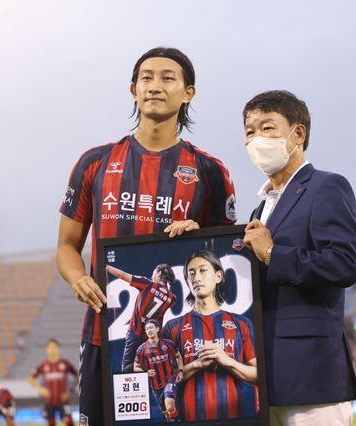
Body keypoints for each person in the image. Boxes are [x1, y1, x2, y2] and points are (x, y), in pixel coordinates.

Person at [55, 46, 236, 426]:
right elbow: (67, 247)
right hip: (102, 334)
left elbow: (227, 257)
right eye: (146, 78)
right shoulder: (95, 162)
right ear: (133, 89)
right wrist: (77, 278)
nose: (155, 86)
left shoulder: (209, 171)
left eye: (168, 78)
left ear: (188, 92)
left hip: (172, 344)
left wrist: (201, 237)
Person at [241, 90, 356, 426]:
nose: (256, 138)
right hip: (264, 378)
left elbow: (345, 263)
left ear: (298, 134)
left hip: (312, 374)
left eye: (267, 128)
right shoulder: (259, 209)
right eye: (250, 131)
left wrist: (272, 254)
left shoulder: (327, 186)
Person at [163, 249, 257, 422]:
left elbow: (259, 375)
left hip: (235, 419)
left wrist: (227, 361)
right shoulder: (173, 327)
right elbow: (164, 380)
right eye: (191, 273)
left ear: (218, 276)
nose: (196, 278)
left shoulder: (241, 324)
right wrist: (197, 364)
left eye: (203, 270)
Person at [106, 263, 177, 372]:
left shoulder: (147, 284)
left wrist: (106, 266)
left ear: (159, 274)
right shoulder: (172, 298)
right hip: (151, 337)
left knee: (127, 369)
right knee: (149, 366)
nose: (151, 276)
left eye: (153, 273)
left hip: (135, 333)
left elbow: (122, 275)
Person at [134, 319, 183, 422]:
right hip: (156, 385)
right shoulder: (141, 349)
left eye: (151, 328)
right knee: (166, 414)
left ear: (157, 329)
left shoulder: (168, 344)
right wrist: (146, 373)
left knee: (170, 406)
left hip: (170, 379)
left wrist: (180, 371)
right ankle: (176, 420)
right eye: (147, 329)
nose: (149, 330)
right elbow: (136, 367)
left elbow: (178, 356)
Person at [28, 338, 79, 426]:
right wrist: (41, 390)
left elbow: (77, 376)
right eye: (50, 347)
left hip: (63, 400)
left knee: (69, 423)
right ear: (47, 349)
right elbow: (30, 379)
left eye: (54, 347)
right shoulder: (43, 365)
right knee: (51, 423)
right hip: (49, 401)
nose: (52, 350)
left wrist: (70, 391)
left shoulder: (65, 363)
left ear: (58, 349)